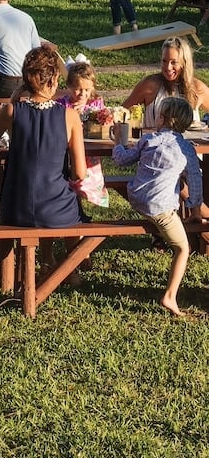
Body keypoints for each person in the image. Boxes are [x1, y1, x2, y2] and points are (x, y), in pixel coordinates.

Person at [0, 46, 87, 272]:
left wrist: (12, 101)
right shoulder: (70, 116)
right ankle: (70, 268)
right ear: (54, 78)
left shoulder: (11, 112)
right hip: (56, 208)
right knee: (71, 202)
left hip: (16, 207)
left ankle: (46, 262)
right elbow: (80, 174)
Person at [112, 96, 208, 317]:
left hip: (136, 197)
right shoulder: (187, 149)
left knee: (173, 182)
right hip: (159, 208)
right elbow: (195, 180)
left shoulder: (148, 140)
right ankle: (170, 296)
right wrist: (194, 208)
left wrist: (118, 141)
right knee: (183, 248)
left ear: (162, 118)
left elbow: (122, 159)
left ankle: (189, 214)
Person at [123, 36, 209, 128]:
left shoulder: (197, 87)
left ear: (184, 63)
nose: (168, 67)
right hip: (155, 141)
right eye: (164, 61)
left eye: (173, 62)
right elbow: (121, 112)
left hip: (189, 142)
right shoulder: (149, 85)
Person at [56, 60, 108, 208]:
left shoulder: (96, 104)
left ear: (92, 87)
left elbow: (103, 122)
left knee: (86, 176)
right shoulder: (62, 105)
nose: (82, 94)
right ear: (69, 86)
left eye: (87, 90)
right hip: (67, 152)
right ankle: (73, 206)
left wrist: (90, 112)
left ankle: (83, 199)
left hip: (90, 150)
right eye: (78, 89)